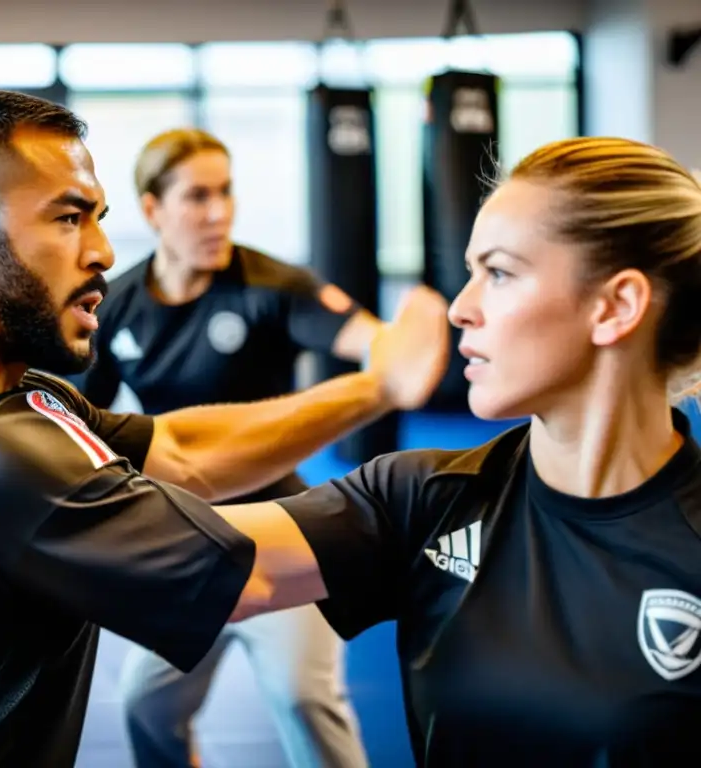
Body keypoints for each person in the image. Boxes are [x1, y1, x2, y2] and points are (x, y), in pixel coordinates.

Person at [0, 89, 450, 767]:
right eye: (69, 218)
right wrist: (436, 482)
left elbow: (183, 452)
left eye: (98, 218)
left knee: (292, 698)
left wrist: (372, 389)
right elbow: (253, 578)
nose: (102, 249)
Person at [218, 136, 701, 766]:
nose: (461, 308)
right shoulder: (424, 497)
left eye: (498, 272)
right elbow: (185, 561)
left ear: (614, 306)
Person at [69, 127, 375, 768]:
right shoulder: (118, 304)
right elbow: (76, 423)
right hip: (184, 534)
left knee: (303, 699)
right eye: (198, 197)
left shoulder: (270, 284)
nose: (219, 213)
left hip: (284, 529)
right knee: (145, 706)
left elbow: (365, 339)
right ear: (152, 210)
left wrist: (398, 351)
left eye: (227, 193)